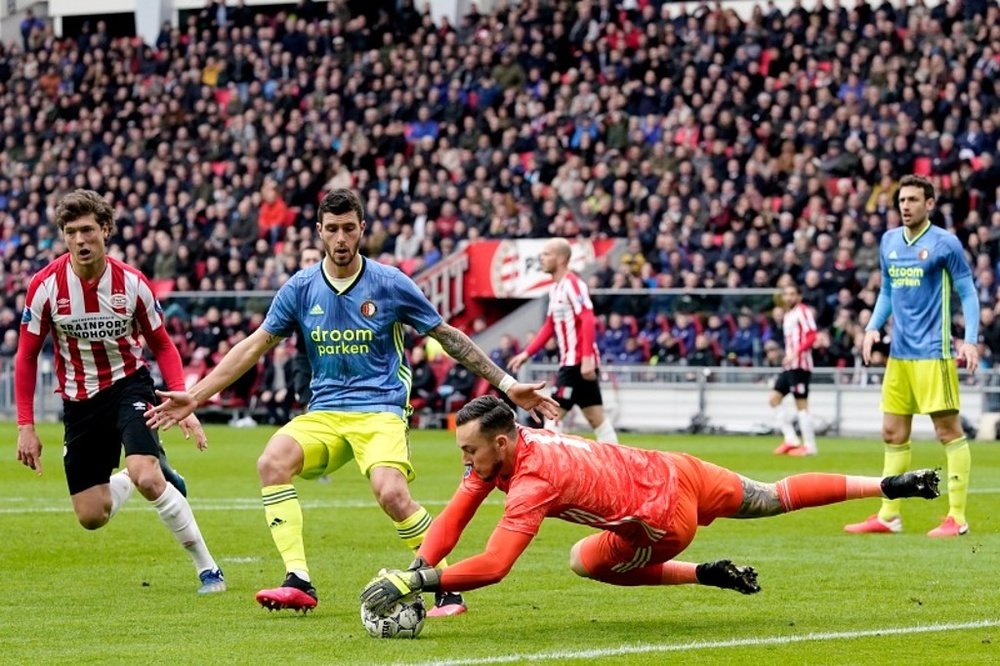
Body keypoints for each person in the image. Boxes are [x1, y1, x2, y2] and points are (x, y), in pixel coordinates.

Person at [146, 188, 559, 615]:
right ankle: (298, 579)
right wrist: (194, 397)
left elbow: (446, 336)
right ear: (319, 232)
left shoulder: (390, 282)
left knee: (391, 493)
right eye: (332, 230)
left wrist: (508, 384)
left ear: (362, 229)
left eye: (348, 228)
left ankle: (444, 586)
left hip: (381, 409)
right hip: (325, 413)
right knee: (271, 462)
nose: (340, 238)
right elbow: (253, 346)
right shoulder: (302, 287)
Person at [360, 395, 941, 615]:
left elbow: (494, 565)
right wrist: (419, 569)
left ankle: (700, 574)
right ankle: (889, 485)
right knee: (773, 496)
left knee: (584, 560)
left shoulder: (533, 479)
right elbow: (459, 511)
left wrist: (420, 583)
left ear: (503, 443)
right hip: (673, 466)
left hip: (663, 524)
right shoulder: (512, 442)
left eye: (470, 449)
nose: (466, 460)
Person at [14, 189, 226, 594]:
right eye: (72, 232)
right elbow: (25, 357)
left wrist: (183, 397)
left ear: (105, 230)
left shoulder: (132, 284)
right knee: (92, 516)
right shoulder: (44, 288)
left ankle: (208, 569)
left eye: (88, 230)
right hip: (79, 402)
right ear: (62, 235)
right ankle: (134, 475)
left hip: (129, 386)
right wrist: (26, 425)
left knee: (149, 477)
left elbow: (162, 344)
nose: (80, 240)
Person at [845, 174, 980, 538]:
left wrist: (969, 340)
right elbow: (887, 291)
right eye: (902, 200)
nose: (905, 206)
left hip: (934, 354)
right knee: (891, 432)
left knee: (947, 431)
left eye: (913, 200)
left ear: (930, 203)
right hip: (900, 356)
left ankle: (957, 517)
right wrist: (874, 327)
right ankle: (889, 515)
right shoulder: (889, 241)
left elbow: (968, 293)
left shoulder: (944, 244)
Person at [508, 238, 618, 443]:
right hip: (572, 362)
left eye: (547, 254)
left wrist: (586, 358)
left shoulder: (573, 285)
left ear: (560, 259)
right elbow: (550, 325)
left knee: (552, 413)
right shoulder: (555, 288)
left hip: (576, 364)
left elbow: (587, 318)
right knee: (596, 418)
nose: (542, 258)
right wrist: (526, 353)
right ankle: (619, 465)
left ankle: (550, 465)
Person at [771, 282, 819, 456]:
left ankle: (810, 446)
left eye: (792, 294)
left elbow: (812, 335)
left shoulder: (803, 311)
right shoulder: (788, 314)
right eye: (786, 294)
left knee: (801, 405)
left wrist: (796, 352)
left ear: (799, 296)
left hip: (801, 365)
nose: (789, 297)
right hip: (790, 365)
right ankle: (791, 439)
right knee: (774, 399)